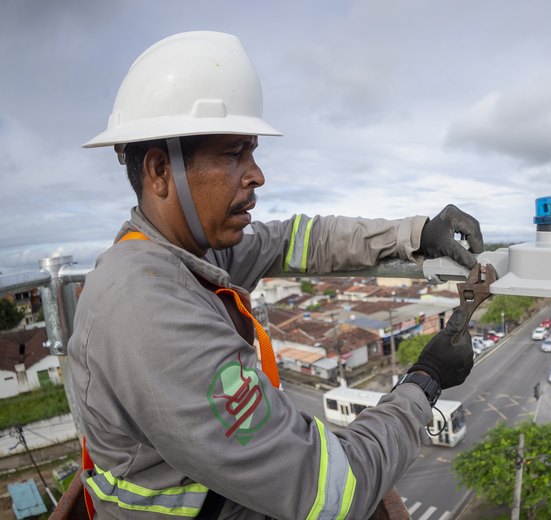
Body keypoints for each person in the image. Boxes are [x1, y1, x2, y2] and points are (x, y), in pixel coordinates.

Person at [68, 31, 483, 519]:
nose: (257, 174)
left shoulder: (181, 255)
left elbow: (296, 239)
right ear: (160, 171)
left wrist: (413, 234)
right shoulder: (148, 312)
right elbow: (329, 493)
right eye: (233, 153)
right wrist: (426, 382)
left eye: (252, 151)